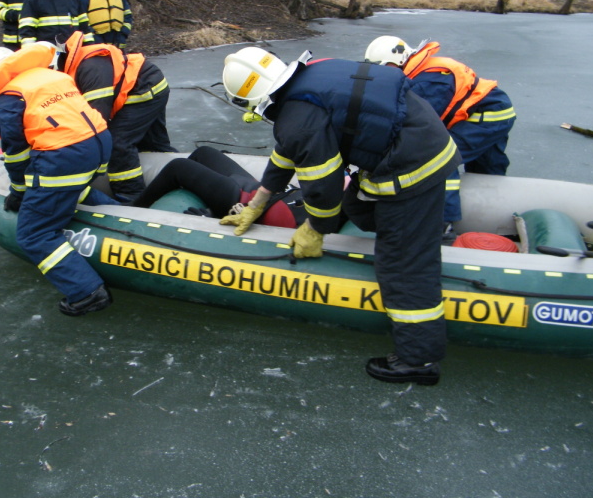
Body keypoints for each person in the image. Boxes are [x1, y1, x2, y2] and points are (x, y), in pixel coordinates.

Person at [220, 47, 461, 385]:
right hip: (413, 140)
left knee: (401, 263)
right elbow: (290, 149)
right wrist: (258, 202)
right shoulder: (311, 77)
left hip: (413, 164)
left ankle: (418, 361)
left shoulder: (296, 117)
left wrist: (316, 228)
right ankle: (413, 229)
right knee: (357, 205)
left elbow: (322, 187)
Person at [0, 44, 114, 316]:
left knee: (34, 234)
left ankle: (87, 293)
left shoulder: (8, 98)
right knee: (76, 189)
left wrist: (19, 191)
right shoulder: (51, 77)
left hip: (67, 154)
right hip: (99, 144)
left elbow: (16, 154)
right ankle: (121, 211)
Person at [364, 36, 516, 237]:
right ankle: (495, 214)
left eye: (385, 67)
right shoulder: (422, 71)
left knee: (441, 158)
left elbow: (422, 124)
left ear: (399, 60)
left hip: (484, 116)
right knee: (487, 168)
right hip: (492, 112)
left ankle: (442, 222)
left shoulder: (429, 79)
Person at [58, 30, 176, 202]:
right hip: (147, 84)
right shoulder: (80, 64)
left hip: (143, 89)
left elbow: (97, 120)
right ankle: (173, 175)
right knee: (153, 143)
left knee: (118, 142)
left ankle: (130, 195)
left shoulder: (89, 68)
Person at [132, 145, 304, 228]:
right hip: (259, 190)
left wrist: (214, 221)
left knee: (178, 167)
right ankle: (202, 197)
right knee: (203, 153)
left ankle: (133, 210)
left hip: (239, 200)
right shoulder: (324, 192)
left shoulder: (317, 228)